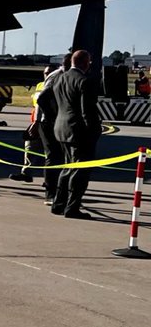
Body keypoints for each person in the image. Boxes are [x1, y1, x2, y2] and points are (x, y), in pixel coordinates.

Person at [49, 49, 102, 219]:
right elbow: (88, 111)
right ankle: (72, 207)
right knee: (80, 170)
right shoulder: (84, 81)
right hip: (78, 131)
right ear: (86, 63)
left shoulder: (59, 78)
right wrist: (94, 131)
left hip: (61, 127)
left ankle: (58, 203)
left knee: (67, 167)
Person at [34, 55, 72, 204]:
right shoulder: (56, 76)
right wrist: (49, 116)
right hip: (49, 123)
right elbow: (41, 99)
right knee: (53, 156)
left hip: (61, 122)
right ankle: (50, 193)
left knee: (63, 157)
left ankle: (61, 192)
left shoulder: (69, 76)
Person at [11, 65, 55, 183]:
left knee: (49, 152)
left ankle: (49, 180)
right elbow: (37, 104)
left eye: (49, 73)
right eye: (45, 73)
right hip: (36, 122)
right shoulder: (40, 85)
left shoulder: (56, 85)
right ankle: (26, 173)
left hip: (49, 123)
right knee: (29, 146)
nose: (47, 75)